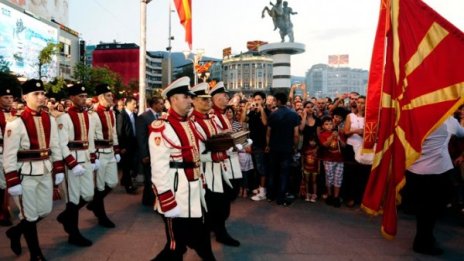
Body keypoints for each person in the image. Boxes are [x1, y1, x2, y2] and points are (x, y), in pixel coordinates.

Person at [149, 77, 215, 260]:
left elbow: (196, 154)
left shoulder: (190, 123)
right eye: (185, 96)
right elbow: (158, 169)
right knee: (175, 248)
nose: (190, 100)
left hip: (194, 191)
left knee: (200, 237)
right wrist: (166, 200)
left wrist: (214, 156)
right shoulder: (161, 127)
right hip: (176, 193)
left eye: (190, 97)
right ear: (173, 100)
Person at [4, 79, 65, 260]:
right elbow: (9, 155)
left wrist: (58, 168)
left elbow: (54, 145)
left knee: (45, 210)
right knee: (29, 216)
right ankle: (36, 254)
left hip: (45, 171)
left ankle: (15, 232)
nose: (41, 97)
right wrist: (12, 180)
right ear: (25, 97)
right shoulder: (16, 123)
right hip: (25, 175)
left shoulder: (49, 118)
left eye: (42, 93)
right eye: (36, 94)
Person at [405, 116, 464, 256]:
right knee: (430, 211)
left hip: (415, 170)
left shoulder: (416, 116)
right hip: (437, 173)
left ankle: (424, 239)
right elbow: (462, 133)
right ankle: (422, 243)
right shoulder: (448, 120)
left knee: (423, 211)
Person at [190, 83, 240, 247]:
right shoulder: (193, 122)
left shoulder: (210, 118)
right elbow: (198, 153)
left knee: (222, 204)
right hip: (206, 172)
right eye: (203, 99)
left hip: (219, 168)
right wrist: (220, 153)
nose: (207, 103)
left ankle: (217, 230)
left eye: (208, 99)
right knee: (215, 205)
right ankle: (217, 233)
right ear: (194, 101)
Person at [55, 83, 97, 247]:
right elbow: (61, 143)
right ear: (71, 98)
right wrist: (72, 164)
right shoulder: (64, 118)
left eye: (85, 96)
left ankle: (66, 217)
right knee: (73, 198)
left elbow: (90, 139)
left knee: (88, 194)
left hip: (85, 158)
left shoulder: (89, 116)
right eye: (80, 96)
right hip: (73, 161)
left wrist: (93, 158)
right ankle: (73, 233)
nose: (84, 99)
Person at [87, 83, 121, 228]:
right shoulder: (93, 114)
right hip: (99, 152)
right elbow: (89, 137)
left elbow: (114, 133)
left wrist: (116, 149)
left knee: (112, 182)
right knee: (100, 186)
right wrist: (93, 156)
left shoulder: (111, 112)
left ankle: (94, 204)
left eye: (111, 95)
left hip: (110, 151)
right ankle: (101, 215)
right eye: (108, 95)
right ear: (100, 97)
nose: (111, 97)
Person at [266, 92, 299, 205]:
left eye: (275, 100)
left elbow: (268, 133)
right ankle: (281, 197)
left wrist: (268, 145)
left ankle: (270, 195)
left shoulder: (273, 114)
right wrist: (295, 146)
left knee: (272, 172)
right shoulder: (294, 115)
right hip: (287, 148)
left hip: (274, 147)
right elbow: (296, 134)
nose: (274, 102)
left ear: (279, 101)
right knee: (284, 173)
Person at [211, 82, 243, 200]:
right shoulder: (213, 115)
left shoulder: (221, 114)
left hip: (229, 158)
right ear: (218, 98)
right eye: (225, 96)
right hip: (220, 161)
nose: (228, 98)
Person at [136, 96, 164, 207]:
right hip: (148, 153)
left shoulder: (161, 116)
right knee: (149, 178)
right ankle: (148, 201)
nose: (162, 106)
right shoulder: (143, 117)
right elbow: (141, 137)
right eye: (160, 104)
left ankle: (149, 199)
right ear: (154, 104)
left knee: (154, 176)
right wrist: (144, 155)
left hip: (158, 152)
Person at [0, 72, 20, 227]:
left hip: (13, 152)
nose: (9, 100)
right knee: (2, 184)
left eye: (11, 97)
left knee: (12, 182)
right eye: (5, 97)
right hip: (0, 151)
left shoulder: (16, 114)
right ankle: (3, 213)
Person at [243, 92, 270, 201]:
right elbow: (243, 121)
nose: (256, 101)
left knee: (261, 168)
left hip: (262, 144)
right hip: (253, 143)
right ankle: (260, 188)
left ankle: (263, 191)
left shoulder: (267, 111)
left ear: (264, 100)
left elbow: (265, 123)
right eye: (255, 99)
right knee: (257, 168)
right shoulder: (252, 112)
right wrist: (245, 108)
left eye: (259, 99)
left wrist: (261, 109)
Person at [318, 116, 345, 207]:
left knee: (338, 178)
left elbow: (344, 146)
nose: (329, 126)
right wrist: (331, 137)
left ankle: (336, 197)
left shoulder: (339, 133)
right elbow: (325, 145)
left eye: (330, 124)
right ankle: (329, 195)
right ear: (323, 126)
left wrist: (339, 139)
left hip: (339, 160)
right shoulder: (322, 134)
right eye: (326, 124)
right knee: (329, 178)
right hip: (328, 160)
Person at [116, 97, 138, 194]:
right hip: (125, 145)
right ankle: (129, 186)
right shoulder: (122, 115)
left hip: (134, 144)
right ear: (128, 104)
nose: (135, 105)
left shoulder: (135, 115)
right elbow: (119, 132)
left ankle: (124, 180)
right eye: (133, 103)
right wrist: (122, 147)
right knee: (127, 166)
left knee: (131, 165)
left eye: (135, 103)